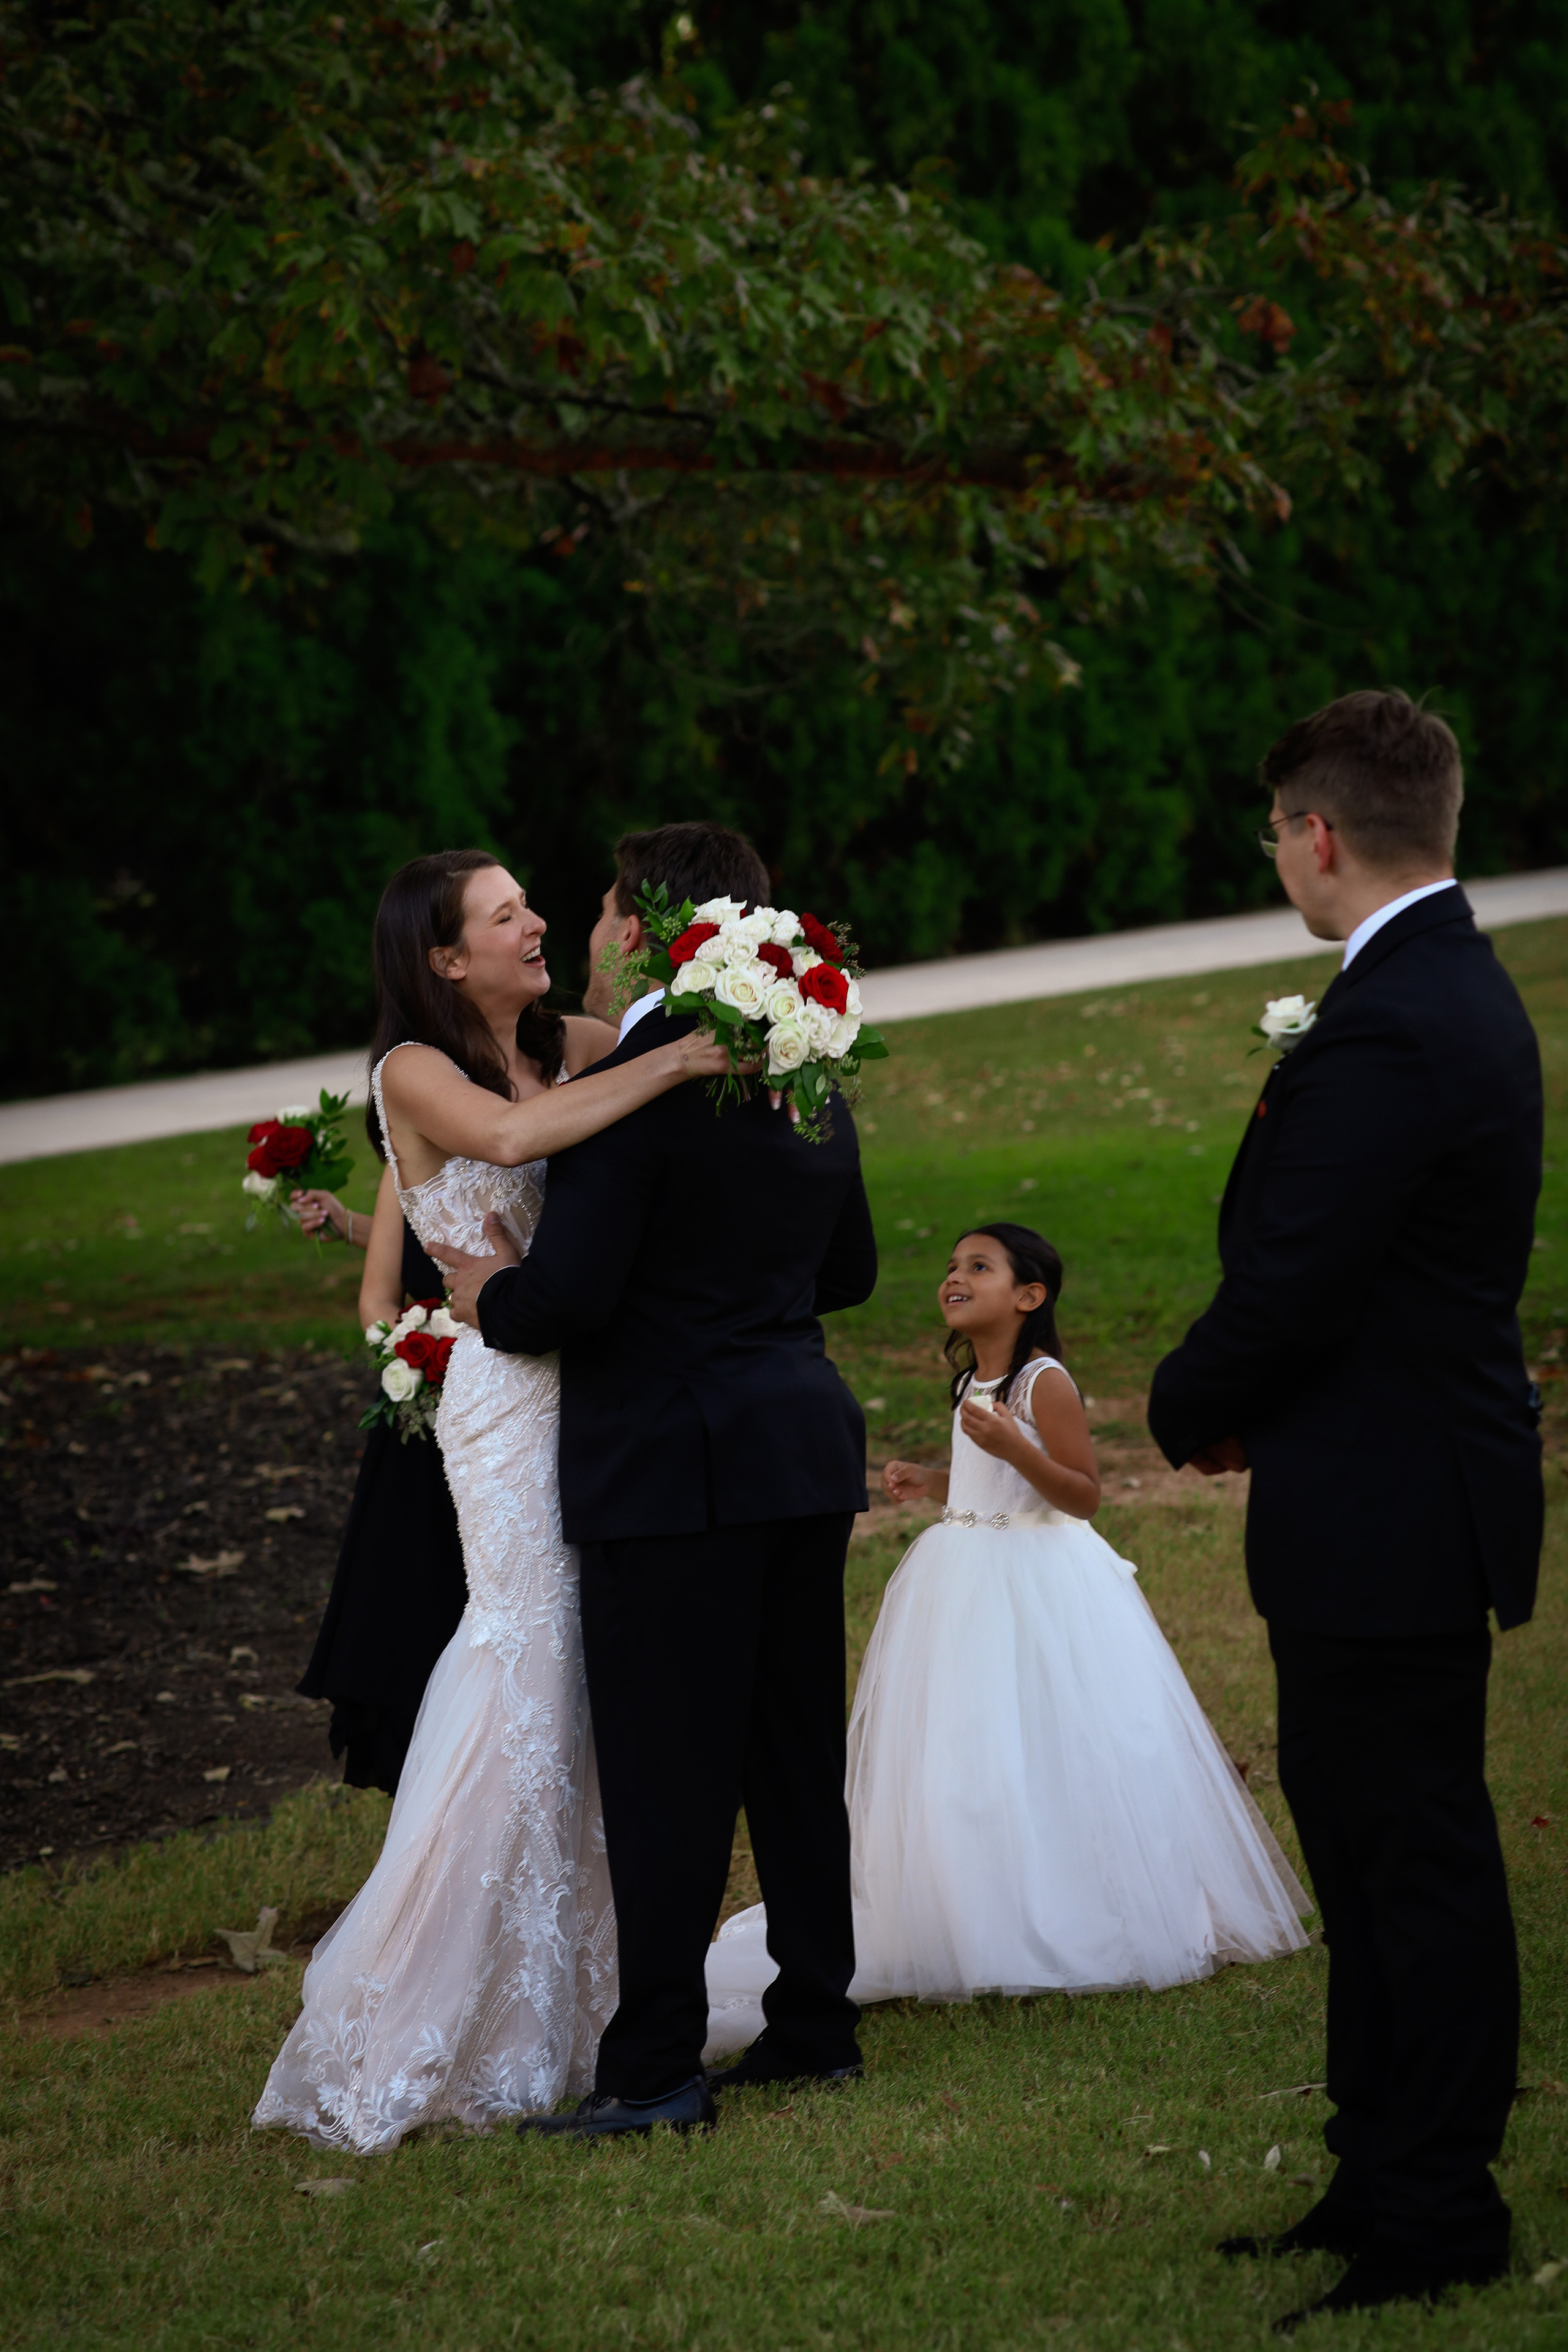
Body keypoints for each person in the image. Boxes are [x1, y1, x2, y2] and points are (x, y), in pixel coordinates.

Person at [1148, 691, 1543, 2328]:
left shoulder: (1397, 1018)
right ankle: (1381, 2169)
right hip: (1373, 1482)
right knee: (1372, 1851)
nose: (1280, 857)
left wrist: (1187, 1406)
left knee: (1414, 1860)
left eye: (1276, 833)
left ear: (1318, 834)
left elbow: (1298, 1276)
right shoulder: (1433, 982)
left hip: (1392, 1505)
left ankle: (1441, 2209)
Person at [253, 849, 735, 2152]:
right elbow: (516, 1143)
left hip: (594, 1380)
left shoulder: (570, 1038)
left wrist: (737, 1000)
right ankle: (424, 1997)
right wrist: (682, 1066)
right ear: (441, 958)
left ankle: (592, 2001)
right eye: (505, 914)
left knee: (598, 1676)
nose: (536, 923)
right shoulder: (412, 1070)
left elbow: (628, 1042)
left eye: (534, 904)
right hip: (499, 1399)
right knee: (527, 1652)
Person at [437, 821, 879, 2141]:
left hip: (673, 1472)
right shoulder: (799, 1067)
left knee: (667, 1775)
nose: (581, 931)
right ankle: (813, 2023)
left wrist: (487, 1292)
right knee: (792, 1756)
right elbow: (847, 1271)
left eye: (597, 907)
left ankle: (652, 2070)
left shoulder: (636, 1086)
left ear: (640, 928)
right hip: (798, 1446)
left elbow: (564, 1297)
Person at [702, 1225, 1308, 2054]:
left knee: (1044, 1737)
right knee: (962, 1741)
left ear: (1030, 1295)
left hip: (1035, 1579)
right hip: (962, 1570)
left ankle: (1061, 1905)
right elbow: (991, 1478)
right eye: (953, 1267)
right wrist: (939, 1481)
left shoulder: (1043, 1382)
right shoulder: (970, 1384)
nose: (956, 1277)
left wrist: (1015, 1443)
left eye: (979, 1268)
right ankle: (966, 1903)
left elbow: (1081, 1494)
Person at [295, 1161, 469, 1796]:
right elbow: (387, 1282)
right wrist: (412, 1357)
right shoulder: (407, 1158)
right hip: (423, 1414)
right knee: (415, 1593)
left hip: (516, 1389)